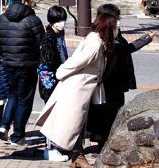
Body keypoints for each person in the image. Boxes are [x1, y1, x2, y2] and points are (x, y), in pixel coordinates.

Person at [36, 12, 118, 167]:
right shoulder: (94, 44)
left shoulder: (98, 41)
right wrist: (60, 73)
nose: (116, 29)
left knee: (79, 124)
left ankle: (77, 157)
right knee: (75, 124)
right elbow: (75, 62)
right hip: (78, 89)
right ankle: (77, 156)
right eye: (114, 25)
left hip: (84, 89)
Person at [85, 4, 155, 149]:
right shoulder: (99, 41)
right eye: (116, 18)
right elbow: (127, 49)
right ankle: (102, 146)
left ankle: (105, 143)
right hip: (105, 86)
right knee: (104, 117)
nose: (118, 22)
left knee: (113, 115)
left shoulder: (115, 36)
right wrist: (145, 39)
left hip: (115, 85)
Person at [0, 0, 45, 147]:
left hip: (8, 64)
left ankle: (3, 126)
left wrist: (7, 55)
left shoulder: (1, 18)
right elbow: (41, 43)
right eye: (30, 0)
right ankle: (18, 135)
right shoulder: (32, 20)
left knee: (13, 96)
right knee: (24, 100)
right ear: (24, 1)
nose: (31, 4)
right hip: (27, 65)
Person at [39, 6, 69, 103]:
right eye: (59, 20)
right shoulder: (48, 38)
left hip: (60, 74)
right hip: (50, 78)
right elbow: (47, 61)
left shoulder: (60, 33)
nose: (62, 23)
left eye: (63, 20)